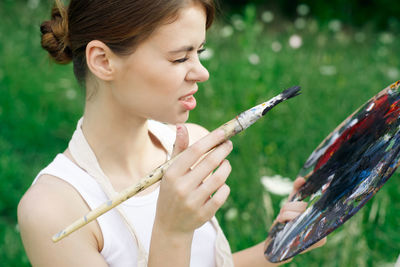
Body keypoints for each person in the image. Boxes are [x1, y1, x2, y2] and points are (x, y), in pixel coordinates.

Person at [17, 0, 325, 266]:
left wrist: (277, 247)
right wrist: (171, 232)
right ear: (103, 60)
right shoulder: (51, 210)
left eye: (200, 51)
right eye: (180, 57)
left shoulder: (191, 144)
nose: (202, 72)